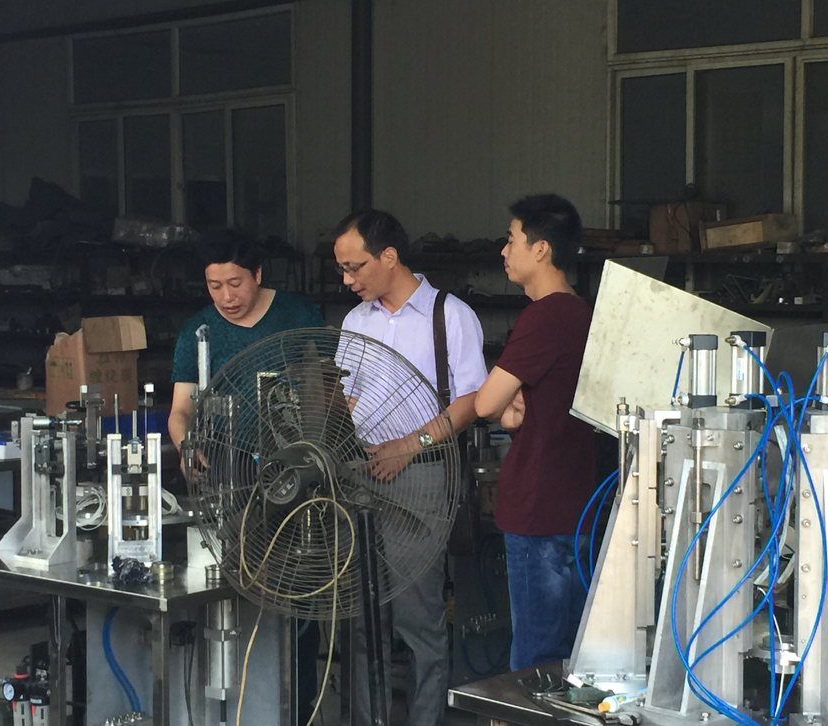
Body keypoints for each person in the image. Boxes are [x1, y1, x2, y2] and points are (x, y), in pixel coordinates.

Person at [333, 209, 487, 726]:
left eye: (354, 268)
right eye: (343, 269)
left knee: (417, 620)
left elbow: (471, 402)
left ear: (389, 257)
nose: (347, 280)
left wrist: (408, 445)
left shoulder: (450, 315)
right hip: (360, 475)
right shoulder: (356, 321)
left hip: (421, 476)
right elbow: (349, 398)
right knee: (361, 619)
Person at [167, 227, 326, 726]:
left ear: (258, 274)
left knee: (297, 591)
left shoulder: (298, 315)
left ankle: (297, 707)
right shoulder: (197, 331)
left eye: (235, 284)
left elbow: (326, 389)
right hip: (228, 476)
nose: (226, 297)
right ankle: (237, 707)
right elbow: (180, 410)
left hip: (295, 474)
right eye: (214, 286)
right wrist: (187, 444)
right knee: (231, 589)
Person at [474, 193, 600, 672]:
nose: (504, 251)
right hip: (577, 505)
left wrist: (506, 405)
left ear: (541, 248)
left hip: (539, 508)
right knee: (572, 656)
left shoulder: (546, 315)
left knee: (535, 661)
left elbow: (486, 403)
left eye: (512, 240)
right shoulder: (581, 312)